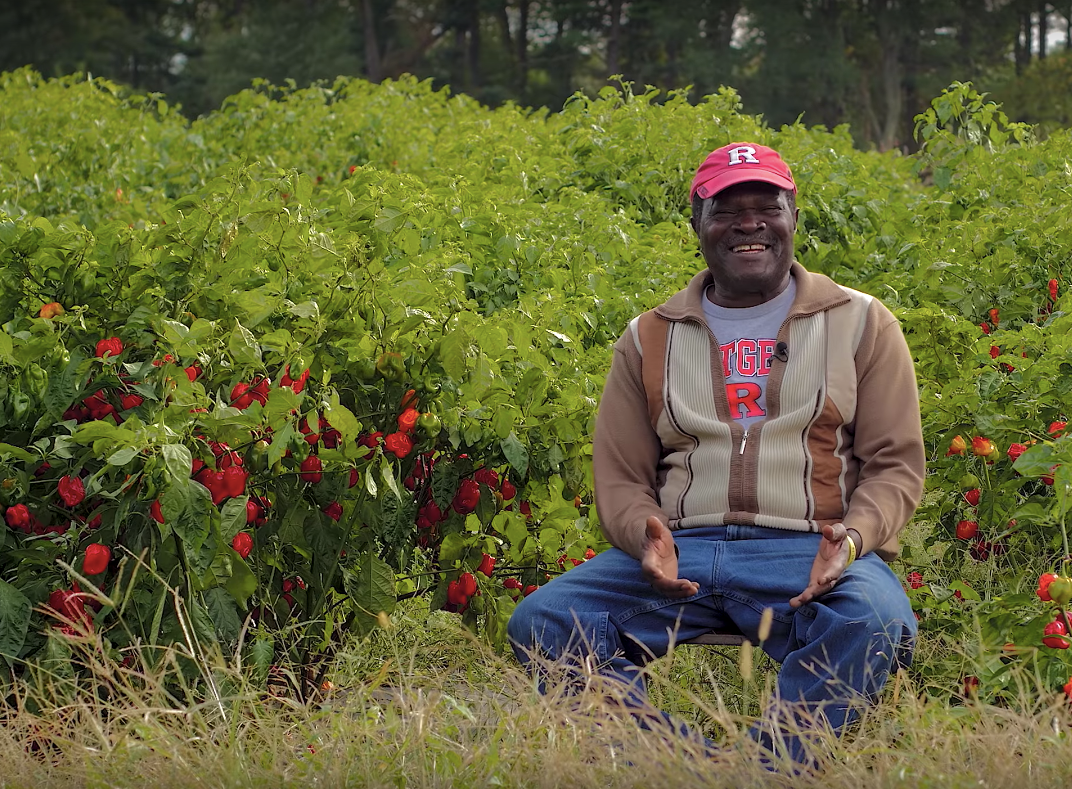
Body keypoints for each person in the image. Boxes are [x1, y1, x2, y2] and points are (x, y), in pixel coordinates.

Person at [507, 142, 925, 766]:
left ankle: (775, 769)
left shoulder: (861, 322)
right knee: (543, 621)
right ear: (698, 225)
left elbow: (895, 463)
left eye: (767, 207)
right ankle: (687, 768)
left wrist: (856, 539)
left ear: (793, 219)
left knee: (875, 616)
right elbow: (622, 477)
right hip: (685, 552)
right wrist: (643, 535)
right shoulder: (649, 336)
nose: (749, 223)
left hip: (809, 549)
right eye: (727, 210)